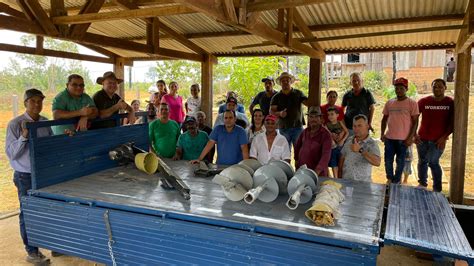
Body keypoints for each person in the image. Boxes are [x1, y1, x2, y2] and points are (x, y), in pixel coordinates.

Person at [6, 89, 53, 264]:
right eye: (33, 101)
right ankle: (32, 251)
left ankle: (55, 245)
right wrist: (24, 136)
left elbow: (49, 145)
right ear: (25, 103)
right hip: (24, 175)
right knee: (27, 212)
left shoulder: (45, 122)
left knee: (48, 209)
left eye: (40, 101)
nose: (37, 104)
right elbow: (11, 154)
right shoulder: (15, 124)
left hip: (43, 174)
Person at [415, 78, 454, 192]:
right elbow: (414, 118)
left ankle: (437, 188)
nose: (437, 89)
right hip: (422, 139)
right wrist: (414, 134)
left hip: (438, 140)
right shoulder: (423, 101)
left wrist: (444, 137)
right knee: (422, 161)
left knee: (433, 162)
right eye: (434, 87)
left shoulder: (450, 103)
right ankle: (422, 184)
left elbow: (452, 123)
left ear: (445, 88)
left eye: (440, 87)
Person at [381, 78, 419, 184]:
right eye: (396, 88)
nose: (398, 90)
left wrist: (410, 137)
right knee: (388, 161)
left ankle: (397, 181)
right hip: (389, 138)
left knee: (400, 161)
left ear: (406, 89)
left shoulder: (412, 103)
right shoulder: (390, 103)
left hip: (403, 140)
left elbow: (415, 122)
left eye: (401, 88)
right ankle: (389, 178)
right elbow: (384, 119)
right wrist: (382, 133)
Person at [270, 72, 309, 150]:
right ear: (280, 83)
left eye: (287, 80)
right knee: (285, 152)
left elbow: (308, 104)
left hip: (298, 127)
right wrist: (280, 113)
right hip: (283, 128)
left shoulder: (298, 93)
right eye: (283, 81)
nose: (285, 82)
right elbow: (271, 112)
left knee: (299, 151)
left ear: (291, 81)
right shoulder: (276, 97)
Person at [339, 114, 381, 182]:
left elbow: (377, 162)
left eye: (359, 126)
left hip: (363, 184)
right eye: (354, 126)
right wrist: (340, 179)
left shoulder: (372, 143)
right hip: (346, 182)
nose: (356, 129)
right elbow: (342, 159)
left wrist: (360, 150)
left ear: (367, 126)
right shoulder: (349, 140)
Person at [294, 106, 332, 176]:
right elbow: (297, 146)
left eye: (316, 117)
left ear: (320, 119)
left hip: (318, 174)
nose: (313, 119)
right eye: (311, 117)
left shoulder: (325, 135)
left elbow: (326, 156)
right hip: (302, 171)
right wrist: (296, 160)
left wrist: (316, 172)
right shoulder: (305, 132)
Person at [326, 107, 349, 178]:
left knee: (341, 162)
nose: (330, 116)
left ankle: (340, 177)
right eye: (328, 115)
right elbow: (327, 134)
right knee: (333, 162)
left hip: (341, 146)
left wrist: (342, 140)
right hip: (332, 147)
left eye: (332, 114)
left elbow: (347, 132)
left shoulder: (340, 123)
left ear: (337, 115)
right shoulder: (327, 125)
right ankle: (335, 178)